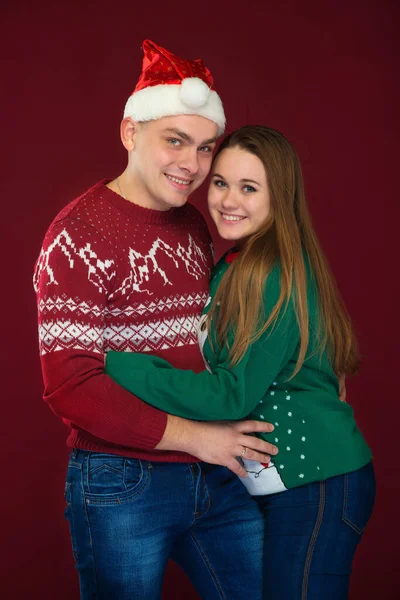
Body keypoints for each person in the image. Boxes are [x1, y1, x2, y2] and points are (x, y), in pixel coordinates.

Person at [33, 41, 279, 600]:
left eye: (205, 147)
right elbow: (71, 384)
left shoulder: (192, 222)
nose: (191, 164)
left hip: (219, 473)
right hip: (124, 482)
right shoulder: (77, 235)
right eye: (174, 140)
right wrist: (198, 439)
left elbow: (213, 340)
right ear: (129, 133)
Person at [105, 125, 376, 599]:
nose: (229, 200)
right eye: (221, 182)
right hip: (278, 486)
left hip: (318, 485)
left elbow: (232, 394)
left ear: (280, 198)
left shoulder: (271, 273)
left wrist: (120, 364)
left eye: (249, 188)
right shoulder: (235, 263)